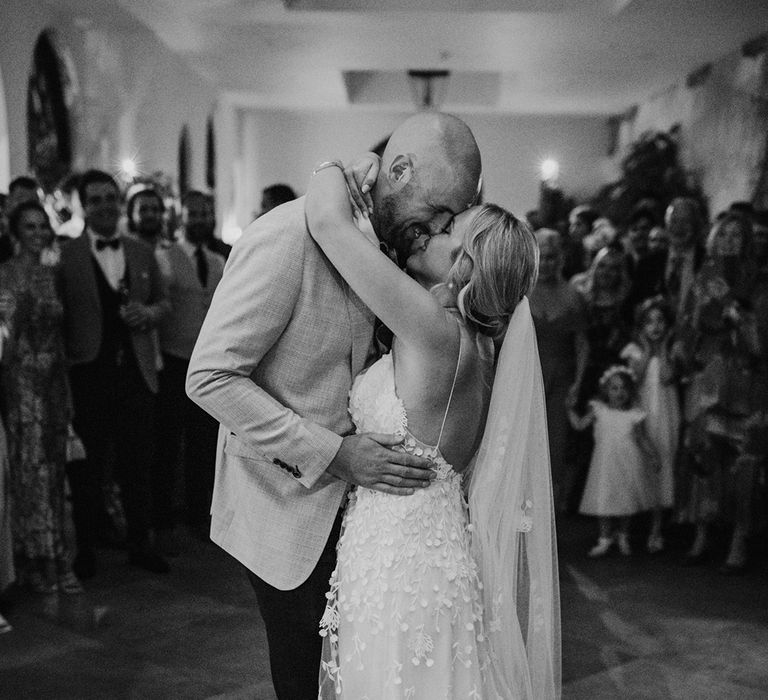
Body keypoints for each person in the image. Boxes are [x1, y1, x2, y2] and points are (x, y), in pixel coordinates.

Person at [186, 112, 485, 700]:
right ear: (397, 171)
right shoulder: (287, 237)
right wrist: (335, 455)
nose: (441, 229)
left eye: (453, 218)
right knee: (304, 679)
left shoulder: (399, 247)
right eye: (440, 211)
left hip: (371, 523)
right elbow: (210, 376)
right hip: (287, 505)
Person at [304, 160, 558, 698]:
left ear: (466, 266)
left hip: (399, 571)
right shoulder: (483, 347)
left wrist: (340, 167)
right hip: (432, 559)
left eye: (448, 232)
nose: (429, 232)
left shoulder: (432, 330)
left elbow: (328, 224)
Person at [57, 169, 170, 578]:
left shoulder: (141, 251)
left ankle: (141, 544)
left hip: (137, 375)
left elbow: (163, 302)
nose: (105, 206)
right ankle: (85, 549)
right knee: (87, 471)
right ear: (83, 207)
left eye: (110, 198)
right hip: (88, 375)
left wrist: (149, 313)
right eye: (96, 199)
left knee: (138, 466)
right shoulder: (65, 256)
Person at [674, 213, 761, 572]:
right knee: (703, 453)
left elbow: (755, 329)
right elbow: (687, 320)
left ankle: (739, 539)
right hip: (706, 372)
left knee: (741, 457)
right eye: (722, 233)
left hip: (742, 375)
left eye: (736, 235)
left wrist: (739, 318)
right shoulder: (703, 276)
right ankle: (702, 532)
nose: (728, 240)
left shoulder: (754, 278)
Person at [0, 201, 79, 593]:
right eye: (28, 227)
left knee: (56, 471)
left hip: (54, 380)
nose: (37, 233)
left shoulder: (53, 273)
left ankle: (59, 556)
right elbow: (5, 344)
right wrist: (17, 314)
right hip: (21, 383)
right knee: (29, 471)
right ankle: (36, 559)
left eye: (41, 226)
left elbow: (63, 333)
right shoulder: (5, 275)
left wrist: (64, 384)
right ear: (16, 232)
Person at [153, 198, 225, 548]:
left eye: (205, 214)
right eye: (194, 214)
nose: (200, 219)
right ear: (180, 219)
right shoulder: (165, 258)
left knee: (203, 444)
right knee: (167, 442)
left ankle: (200, 514)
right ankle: (163, 515)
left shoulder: (218, 261)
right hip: (174, 360)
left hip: (208, 363)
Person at [568, 365, 659, 557]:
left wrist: (653, 455)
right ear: (606, 391)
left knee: (625, 498)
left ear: (630, 391)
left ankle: (623, 535)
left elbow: (642, 439)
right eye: (614, 388)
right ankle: (604, 537)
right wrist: (569, 408)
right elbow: (579, 425)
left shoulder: (634, 414)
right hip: (605, 464)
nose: (619, 392)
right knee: (605, 498)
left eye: (624, 388)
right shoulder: (599, 410)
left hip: (627, 462)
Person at [530, 228, 589, 512]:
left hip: (562, 379)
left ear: (561, 258)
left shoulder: (573, 296)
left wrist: (578, 382)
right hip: (530, 377)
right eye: (543, 256)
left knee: (557, 443)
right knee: (528, 440)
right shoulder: (521, 291)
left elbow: (582, 345)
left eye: (553, 257)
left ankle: (552, 509)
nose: (547, 263)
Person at [620, 297, 681, 553]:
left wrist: (664, 347)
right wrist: (647, 348)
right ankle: (627, 528)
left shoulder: (673, 351)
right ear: (641, 326)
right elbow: (637, 378)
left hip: (665, 414)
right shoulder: (633, 351)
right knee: (636, 463)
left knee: (662, 464)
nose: (655, 327)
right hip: (641, 412)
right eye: (649, 322)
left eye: (660, 322)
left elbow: (667, 377)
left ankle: (656, 529)